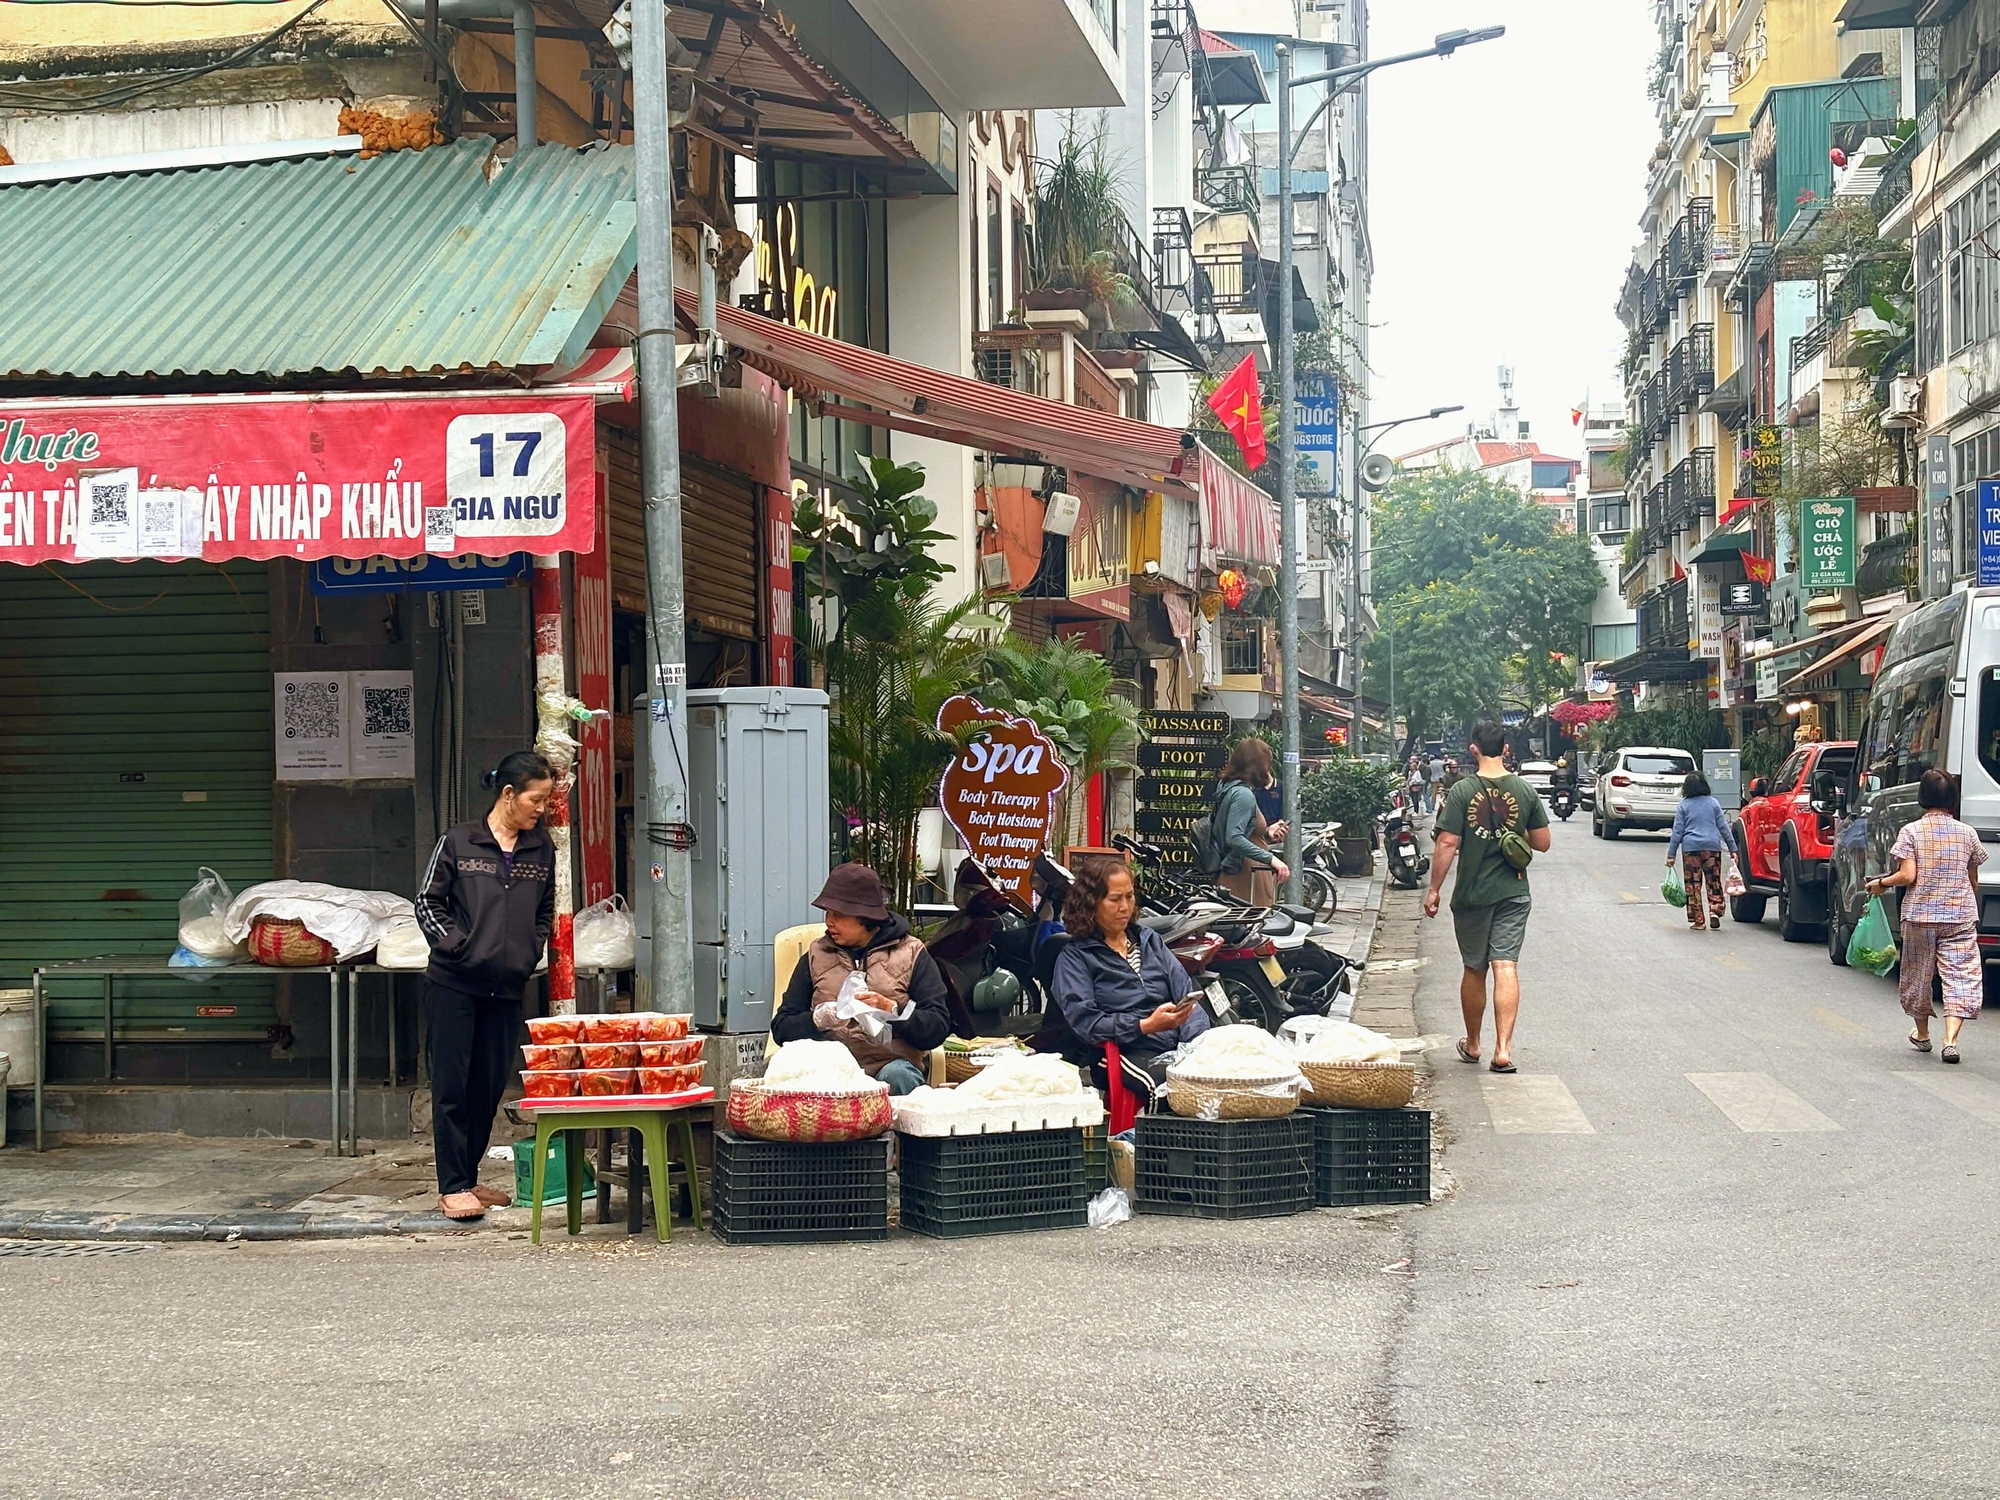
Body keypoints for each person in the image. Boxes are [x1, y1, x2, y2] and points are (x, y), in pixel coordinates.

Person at [416, 750, 558, 1221]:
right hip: (455, 984)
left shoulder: (541, 849)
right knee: (453, 1086)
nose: (541, 809)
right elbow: (426, 904)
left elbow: (544, 912)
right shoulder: (459, 842)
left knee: (489, 1085)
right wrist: (459, 947)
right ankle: (451, 1184)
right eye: (536, 799)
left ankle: (470, 1175)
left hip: (507, 986)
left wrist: (527, 952)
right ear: (508, 794)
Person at [1424, 720, 1551, 1074]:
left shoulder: (1462, 791)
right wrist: (1515, 828)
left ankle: (1474, 1043)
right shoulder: (1524, 791)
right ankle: (1504, 1050)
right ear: (1506, 748)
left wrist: (1434, 889)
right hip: (1513, 891)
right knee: (1506, 966)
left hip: (1473, 895)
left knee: (1474, 968)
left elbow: (1447, 842)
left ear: (1473, 748)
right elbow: (1542, 842)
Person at [772, 862, 951, 1093]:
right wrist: (818, 1019)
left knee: (898, 1076)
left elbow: (936, 1028)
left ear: (865, 918)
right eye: (828, 913)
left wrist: (893, 1011)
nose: (829, 922)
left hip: (888, 1066)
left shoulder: (912, 954)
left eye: (838, 915)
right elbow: (781, 1028)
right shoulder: (816, 955)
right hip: (828, 1069)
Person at [1048, 856, 1211, 1107]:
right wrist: (1144, 1025)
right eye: (1114, 899)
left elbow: (1186, 995)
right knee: (1168, 1091)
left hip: (1172, 1045)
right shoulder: (1075, 957)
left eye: (1129, 896)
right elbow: (1087, 1023)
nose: (1124, 907)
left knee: (1220, 1073)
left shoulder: (1149, 940)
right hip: (1121, 1051)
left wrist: (1193, 1047)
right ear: (1091, 903)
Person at [1868, 769, 1987, 1063]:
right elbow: (1974, 880)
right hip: (1960, 915)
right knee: (1961, 974)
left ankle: (1922, 1035)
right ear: (1952, 798)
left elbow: (1908, 875)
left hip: (1920, 915)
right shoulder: (1967, 833)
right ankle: (1950, 1040)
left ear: (1922, 797)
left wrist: (1881, 883)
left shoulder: (1911, 832)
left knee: (1918, 976)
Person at [1212, 737, 1289, 903]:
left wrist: (1267, 833)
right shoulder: (1243, 795)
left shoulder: (1228, 788)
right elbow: (1234, 837)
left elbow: (1243, 832)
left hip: (1242, 872)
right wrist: (1272, 859)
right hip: (1245, 875)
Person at [1666, 770, 1740, 932]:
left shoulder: (1683, 806)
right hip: (1711, 848)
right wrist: (1733, 848)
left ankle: (1699, 920)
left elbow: (1677, 832)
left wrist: (1671, 855)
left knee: (1693, 885)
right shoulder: (1713, 803)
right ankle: (1715, 911)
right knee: (1713, 881)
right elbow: (1723, 828)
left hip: (1691, 849)